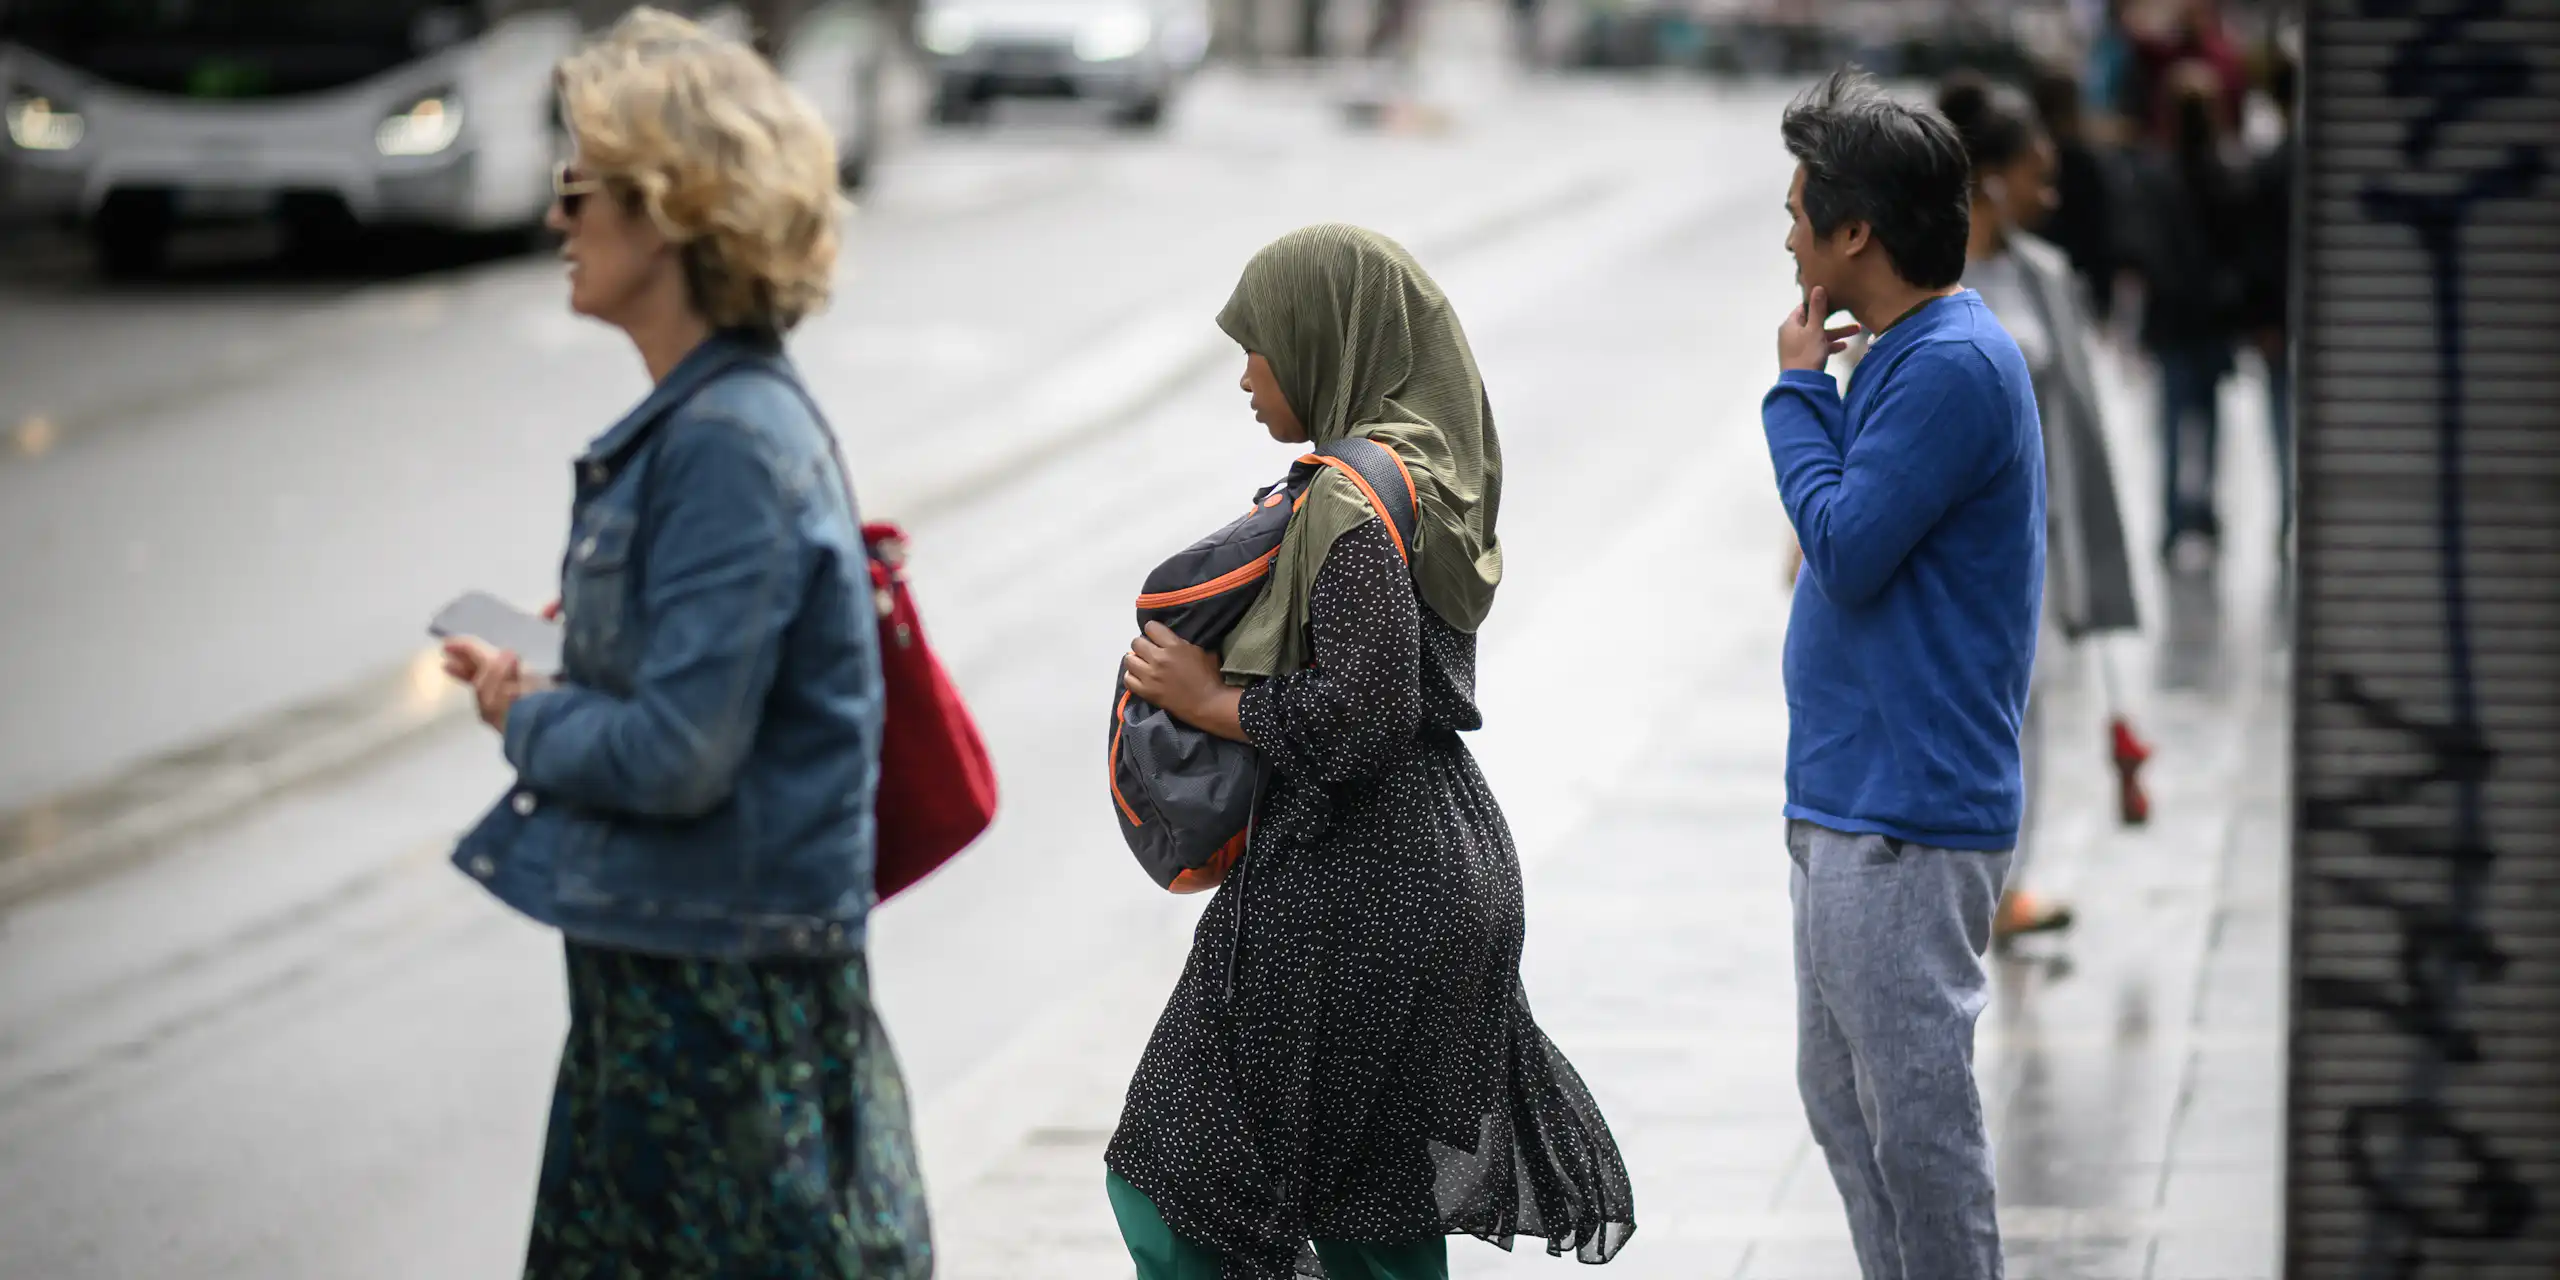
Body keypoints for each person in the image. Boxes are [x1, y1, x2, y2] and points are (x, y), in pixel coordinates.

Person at [440, 10, 932, 1276]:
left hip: (713, 1008)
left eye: (576, 188)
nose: (557, 219)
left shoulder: (724, 444)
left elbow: (676, 753)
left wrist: (522, 711)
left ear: (666, 208)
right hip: (682, 980)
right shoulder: (711, 425)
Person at [1105, 224, 1636, 1280]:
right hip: (1443, 865)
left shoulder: (1347, 496)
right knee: (1376, 1213)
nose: (1247, 376)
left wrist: (1209, 699)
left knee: (1174, 1179)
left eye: (1258, 345)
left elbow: (1365, 714)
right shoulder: (1423, 476)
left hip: (1355, 880)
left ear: (1321, 340)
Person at [1763, 68, 2044, 1280]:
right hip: (1849, 799)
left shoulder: (1950, 365)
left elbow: (1845, 546)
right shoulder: (1907, 350)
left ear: (1855, 230)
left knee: (1918, 1135)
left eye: (1795, 211)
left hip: (1905, 816)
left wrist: (1791, 389)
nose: (1785, 233)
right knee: (1846, 1107)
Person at [1938, 75, 2147, 947]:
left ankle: (2005, 885)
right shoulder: (1923, 273)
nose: (2050, 195)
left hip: (2033, 538)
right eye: (2037, 174)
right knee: (1955, 716)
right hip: (1941, 540)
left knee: (2028, 713)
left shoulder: (2046, 274)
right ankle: (1952, 877)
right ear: (1990, 177)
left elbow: (2081, 424)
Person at [2129, 65, 2247, 558]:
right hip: (2212, 318)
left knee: (2174, 421)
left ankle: (2174, 518)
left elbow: (2145, 251)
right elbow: (2239, 249)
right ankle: (2206, 510)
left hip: (2174, 318)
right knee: (2210, 421)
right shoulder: (2227, 172)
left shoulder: (2156, 173)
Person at [2239, 49, 2297, 555]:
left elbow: (2256, 251)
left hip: (2279, 315)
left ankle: (2289, 512)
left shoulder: (2271, 165)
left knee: (2282, 418)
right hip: (2310, 318)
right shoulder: (2310, 162)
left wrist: (2260, 318)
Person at [2028, 65, 2121, 324]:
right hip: (2076, 279)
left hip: (2037, 276)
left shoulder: (2026, 160)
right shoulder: (2083, 160)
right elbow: (2100, 228)